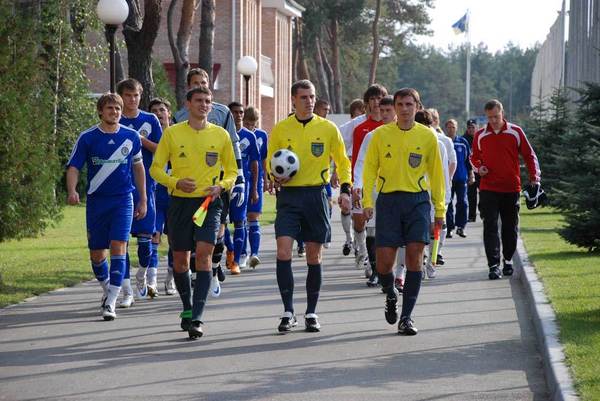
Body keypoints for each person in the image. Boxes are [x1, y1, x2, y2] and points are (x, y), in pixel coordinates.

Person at [150, 86, 237, 339]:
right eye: (199, 100)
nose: (204, 105)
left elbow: (232, 171)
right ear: (188, 104)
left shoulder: (220, 135)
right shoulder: (172, 133)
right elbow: (156, 169)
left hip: (209, 203)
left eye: (208, 101)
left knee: (204, 255)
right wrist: (175, 182)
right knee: (180, 259)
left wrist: (221, 186)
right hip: (180, 204)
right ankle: (187, 307)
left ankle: (197, 316)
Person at [267, 79, 352, 333]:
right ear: (293, 100)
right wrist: (275, 176)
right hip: (289, 197)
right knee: (283, 251)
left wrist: (345, 189)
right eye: (304, 97)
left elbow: (343, 162)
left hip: (316, 196)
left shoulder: (327, 128)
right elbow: (271, 162)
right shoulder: (281, 129)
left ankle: (311, 312)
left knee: (314, 256)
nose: (309, 101)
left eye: (312, 96)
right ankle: (288, 311)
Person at [362, 88, 445, 335]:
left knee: (414, 258)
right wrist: (367, 201)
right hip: (388, 201)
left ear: (417, 107)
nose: (405, 109)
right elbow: (369, 169)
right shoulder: (380, 135)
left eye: (410, 104)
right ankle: (390, 293)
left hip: (417, 202)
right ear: (395, 107)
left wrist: (439, 208)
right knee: (384, 263)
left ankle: (406, 317)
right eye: (400, 104)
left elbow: (437, 175)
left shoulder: (428, 136)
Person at [66, 93, 147, 321]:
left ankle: (111, 302)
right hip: (96, 202)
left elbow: (138, 168)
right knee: (96, 253)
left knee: (119, 245)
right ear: (101, 111)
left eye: (118, 108)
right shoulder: (88, 137)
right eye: (110, 108)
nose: (115, 112)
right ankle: (109, 288)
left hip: (123, 200)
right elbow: (74, 167)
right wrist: (72, 190)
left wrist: (143, 199)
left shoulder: (131, 136)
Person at [174, 68, 245, 277]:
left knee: (218, 228)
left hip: (218, 181)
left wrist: (239, 178)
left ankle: (213, 268)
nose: (200, 86)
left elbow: (233, 144)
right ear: (189, 87)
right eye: (196, 83)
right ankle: (199, 273)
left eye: (203, 83)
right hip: (192, 183)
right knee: (194, 232)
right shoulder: (179, 116)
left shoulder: (223, 112)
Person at [470, 99, 540, 280]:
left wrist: (535, 178)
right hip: (488, 188)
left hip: (511, 188)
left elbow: (529, 155)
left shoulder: (515, 132)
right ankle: (493, 265)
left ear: (502, 113)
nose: (493, 120)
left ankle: (507, 260)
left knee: (510, 226)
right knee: (490, 226)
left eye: (496, 116)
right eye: (489, 117)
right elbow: (474, 157)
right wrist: (479, 168)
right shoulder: (480, 135)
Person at [117, 79, 162, 305]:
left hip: (146, 187)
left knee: (145, 243)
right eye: (128, 95)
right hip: (121, 189)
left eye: (135, 95)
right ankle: (126, 291)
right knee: (120, 242)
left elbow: (162, 150)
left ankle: (142, 273)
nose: (132, 99)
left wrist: (141, 140)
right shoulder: (116, 120)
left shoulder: (150, 119)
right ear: (121, 97)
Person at [351, 95, 396, 287]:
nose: (384, 114)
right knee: (372, 229)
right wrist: (357, 185)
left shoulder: (405, 134)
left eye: (388, 110)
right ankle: (375, 270)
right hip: (375, 190)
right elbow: (361, 162)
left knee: (395, 232)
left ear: (395, 111)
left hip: (398, 191)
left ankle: (397, 272)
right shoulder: (371, 136)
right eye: (381, 110)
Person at [351, 84, 387, 272]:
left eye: (379, 98)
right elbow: (357, 158)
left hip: (384, 185)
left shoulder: (390, 127)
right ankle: (362, 250)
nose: (376, 102)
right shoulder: (360, 129)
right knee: (359, 221)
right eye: (372, 99)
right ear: (367, 103)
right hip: (363, 182)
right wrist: (354, 183)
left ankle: (373, 262)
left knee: (377, 225)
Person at [415, 110, 451, 280]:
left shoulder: (440, 145)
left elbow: (443, 173)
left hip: (435, 194)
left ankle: (432, 260)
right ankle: (422, 262)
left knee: (435, 228)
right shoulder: (411, 143)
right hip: (418, 193)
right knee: (420, 230)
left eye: (426, 126)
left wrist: (445, 196)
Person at [227, 102, 260, 273]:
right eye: (235, 112)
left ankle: (237, 260)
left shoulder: (249, 136)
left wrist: (254, 189)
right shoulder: (222, 134)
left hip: (242, 185)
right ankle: (230, 249)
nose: (239, 115)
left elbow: (255, 164)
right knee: (222, 222)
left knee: (240, 221)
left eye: (241, 112)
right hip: (223, 184)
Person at [148, 97, 176, 295]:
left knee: (175, 239)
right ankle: (151, 280)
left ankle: (170, 278)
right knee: (153, 236)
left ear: (169, 114)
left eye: (162, 110)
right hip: (155, 194)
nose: (158, 114)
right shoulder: (147, 136)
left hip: (175, 194)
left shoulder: (177, 135)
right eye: (154, 111)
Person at [338, 99, 367, 256]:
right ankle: (349, 238)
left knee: (362, 215)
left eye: (362, 113)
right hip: (349, 172)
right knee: (346, 207)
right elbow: (339, 152)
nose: (360, 117)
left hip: (363, 174)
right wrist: (336, 173)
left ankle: (360, 245)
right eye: (356, 114)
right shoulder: (352, 127)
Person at [242, 106, 268, 267]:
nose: (250, 127)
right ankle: (242, 253)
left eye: (253, 124)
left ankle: (254, 254)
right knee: (241, 218)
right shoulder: (239, 135)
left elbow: (263, 158)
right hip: (242, 179)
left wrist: (266, 177)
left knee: (254, 215)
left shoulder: (262, 135)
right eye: (247, 123)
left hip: (256, 180)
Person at [445, 119, 473, 239]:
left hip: (461, 178)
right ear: (446, 128)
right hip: (448, 179)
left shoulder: (462, 142)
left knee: (463, 202)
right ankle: (449, 228)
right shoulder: (443, 142)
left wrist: (471, 174)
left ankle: (461, 227)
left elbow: (468, 160)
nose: (451, 129)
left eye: (453, 127)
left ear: (456, 128)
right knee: (448, 203)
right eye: (449, 127)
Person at [463, 119, 479, 222]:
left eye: (473, 127)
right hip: (469, 170)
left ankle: (484, 213)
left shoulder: (480, 137)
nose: (471, 129)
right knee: (471, 195)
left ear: (476, 127)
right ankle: (472, 216)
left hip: (480, 170)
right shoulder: (464, 139)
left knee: (484, 194)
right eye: (469, 127)